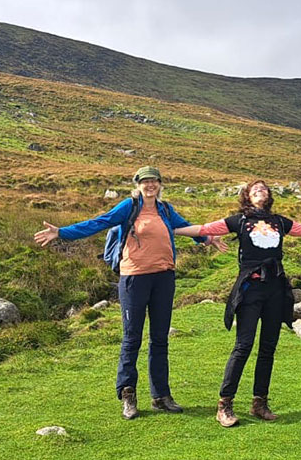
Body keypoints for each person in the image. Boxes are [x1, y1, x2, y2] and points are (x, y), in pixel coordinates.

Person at [33, 166, 218, 420]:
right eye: (145, 181)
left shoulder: (165, 209)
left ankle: (161, 396)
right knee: (132, 339)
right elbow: (99, 222)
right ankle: (128, 395)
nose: (150, 185)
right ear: (138, 185)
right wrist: (62, 233)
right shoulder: (128, 206)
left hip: (164, 278)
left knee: (160, 338)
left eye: (154, 181)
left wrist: (207, 238)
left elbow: (184, 227)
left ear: (160, 184)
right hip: (134, 278)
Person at [174, 179, 301, 427]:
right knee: (243, 345)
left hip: (276, 288)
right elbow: (203, 228)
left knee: (268, 348)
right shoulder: (238, 220)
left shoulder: (279, 221)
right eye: (255, 189)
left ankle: (259, 403)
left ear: (269, 196)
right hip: (250, 289)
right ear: (247, 197)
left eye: (263, 188)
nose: (260, 190)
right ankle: (225, 404)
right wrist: (171, 229)